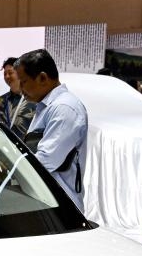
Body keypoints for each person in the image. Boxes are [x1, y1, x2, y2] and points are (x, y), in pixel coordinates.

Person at [15, 48, 88, 210]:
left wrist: (10, 168)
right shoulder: (46, 107)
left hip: (60, 207)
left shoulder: (64, 108)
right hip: (45, 201)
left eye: (24, 81)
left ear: (42, 78)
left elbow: (45, 161)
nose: (20, 88)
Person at [0, 57, 36, 139]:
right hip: (3, 149)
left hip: (26, 149)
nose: (7, 76)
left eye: (10, 73)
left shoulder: (34, 99)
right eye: (5, 74)